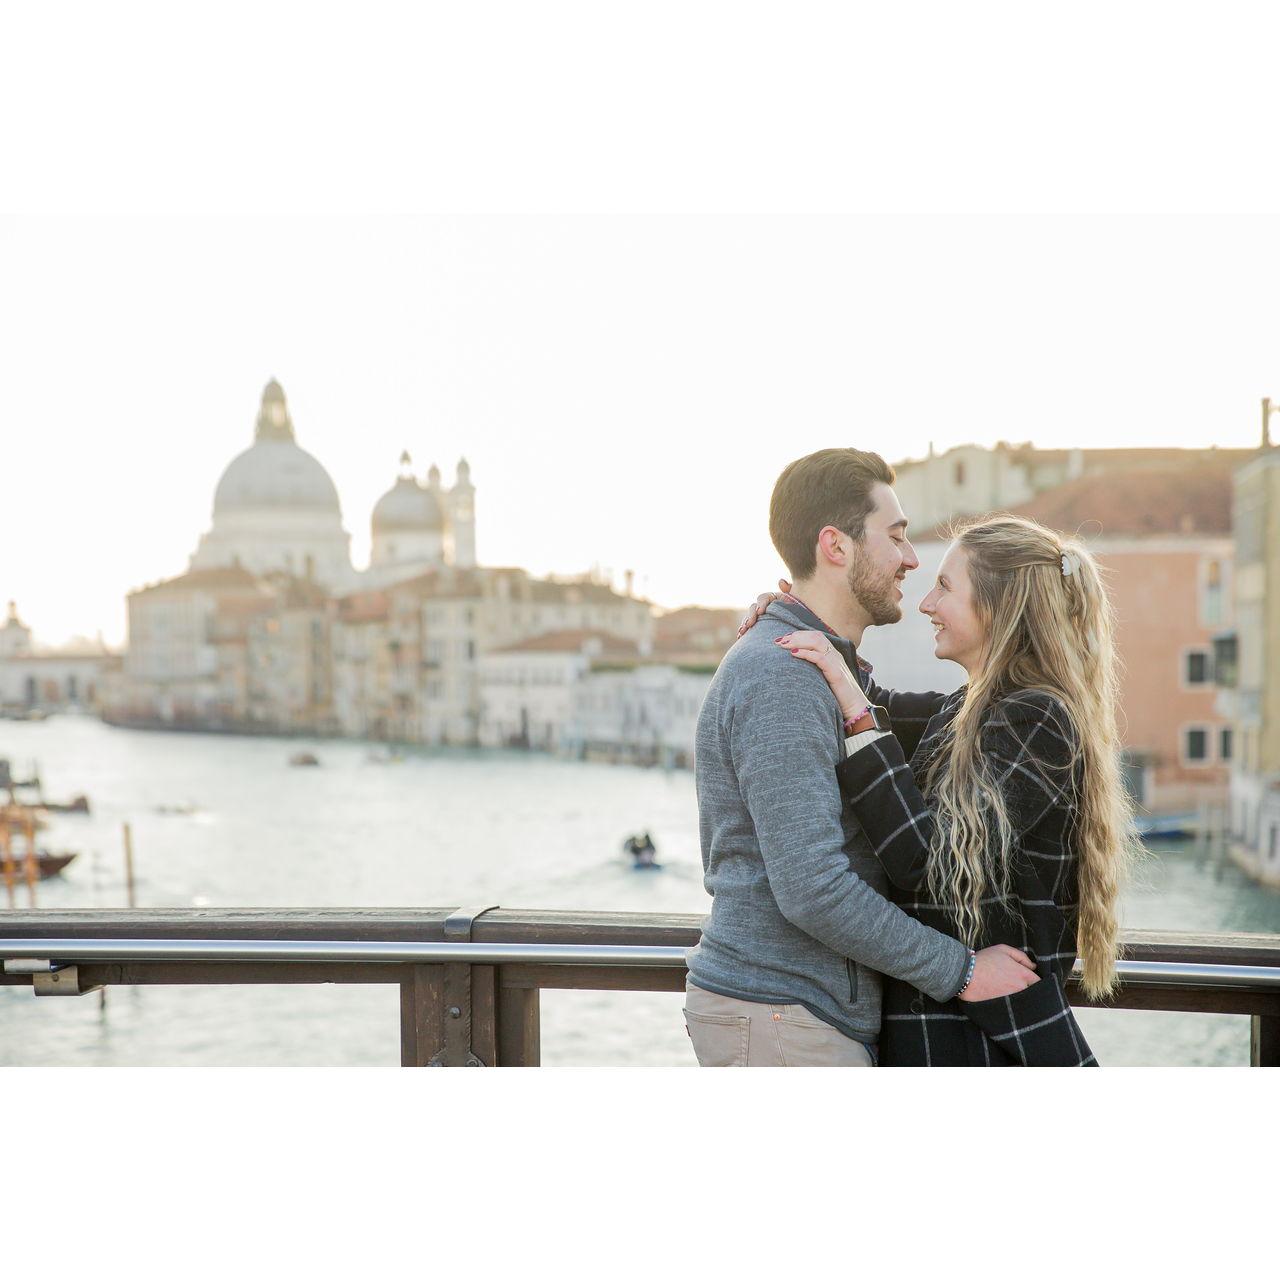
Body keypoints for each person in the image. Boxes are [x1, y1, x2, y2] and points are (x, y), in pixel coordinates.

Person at [683, 448, 1040, 1068]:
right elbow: (812, 889)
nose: (910, 558)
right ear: (836, 546)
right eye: (895, 536)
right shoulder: (783, 677)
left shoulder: (820, 667)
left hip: (797, 1012)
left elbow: (938, 720)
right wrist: (959, 971)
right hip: (783, 1014)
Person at [753, 512, 1139, 1065]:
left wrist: (858, 715)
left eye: (945, 587)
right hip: (948, 1026)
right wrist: (793, 615)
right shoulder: (969, 707)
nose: (926, 604)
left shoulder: (1038, 720)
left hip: (981, 1040)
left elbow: (926, 859)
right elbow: (876, 702)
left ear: (998, 607)